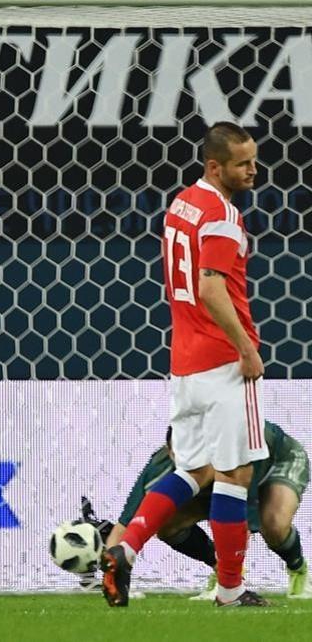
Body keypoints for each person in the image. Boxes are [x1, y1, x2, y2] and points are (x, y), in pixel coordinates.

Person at [102, 122, 267, 608]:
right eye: (243, 163)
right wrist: (245, 348)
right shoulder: (221, 213)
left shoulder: (182, 204)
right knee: (235, 474)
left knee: (193, 470)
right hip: (222, 360)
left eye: (254, 160)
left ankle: (126, 549)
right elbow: (211, 286)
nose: (253, 170)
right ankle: (231, 590)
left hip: (185, 362)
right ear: (215, 166)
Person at [106, 423, 309, 599]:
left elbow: (243, 521)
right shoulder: (158, 470)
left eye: (195, 452)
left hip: (278, 461)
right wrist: (112, 578)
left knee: (273, 524)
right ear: (170, 452)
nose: (190, 460)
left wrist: (229, 582)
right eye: (182, 454)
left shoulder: (234, 456)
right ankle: (217, 567)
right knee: (166, 525)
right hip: (217, 483)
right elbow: (125, 526)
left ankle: (297, 568)